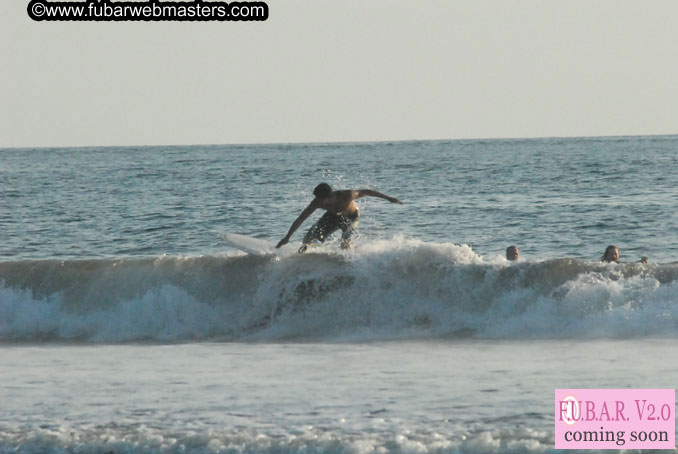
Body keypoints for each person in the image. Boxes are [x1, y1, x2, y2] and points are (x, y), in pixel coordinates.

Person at [276, 183, 403, 252]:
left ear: (329, 196)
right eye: (317, 199)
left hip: (352, 216)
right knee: (308, 238)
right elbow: (300, 219)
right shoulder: (317, 202)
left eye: (321, 199)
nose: (318, 202)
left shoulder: (346, 195)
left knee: (345, 239)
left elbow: (367, 192)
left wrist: (388, 198)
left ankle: (351, 260)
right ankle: (305, 261)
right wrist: (288, 236)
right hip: (332, 217)